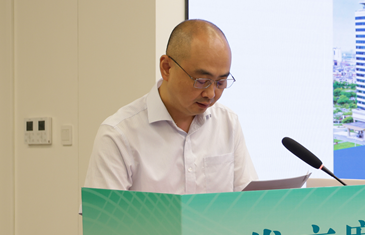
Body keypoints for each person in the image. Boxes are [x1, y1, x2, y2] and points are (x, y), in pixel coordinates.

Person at [84, 19, 257, 193]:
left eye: (220, 82)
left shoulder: (228, 123)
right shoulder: (118, 134)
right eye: (201, 81)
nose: (211, 94)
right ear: (166, 68)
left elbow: (250, 202)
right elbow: (104, 211)